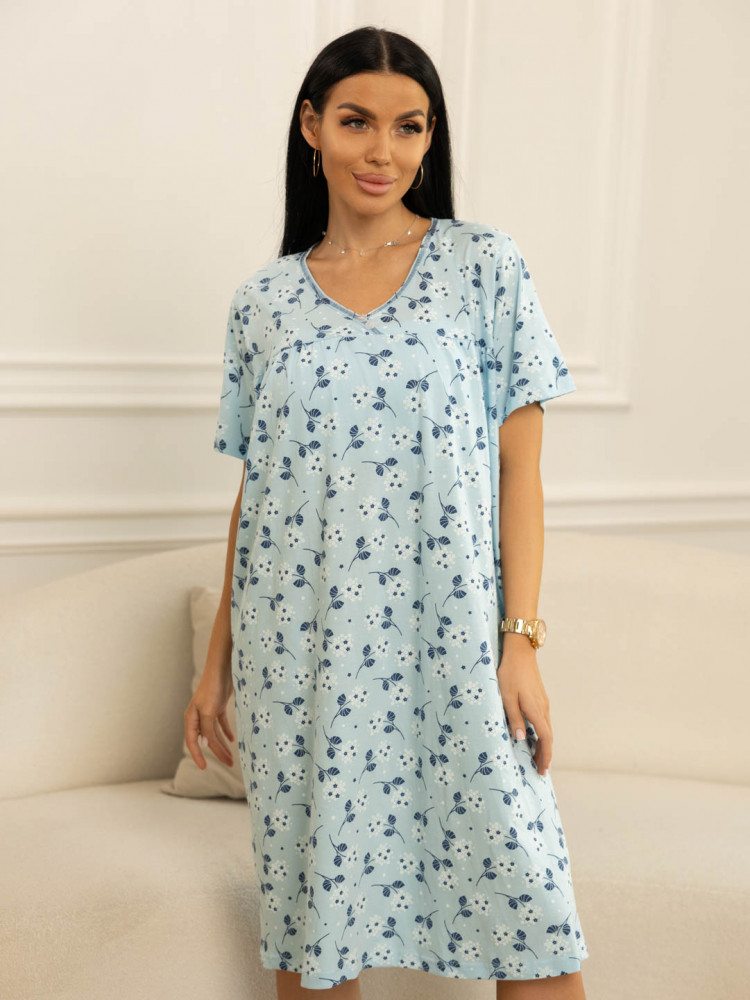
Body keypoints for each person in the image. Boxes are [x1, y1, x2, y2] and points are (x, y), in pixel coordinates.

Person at [185, 24, 588, 1000]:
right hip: (301, 654)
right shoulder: (264, 303)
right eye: (357, 121)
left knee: (531, 919)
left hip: (452, 646)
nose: (383, 151)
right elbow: (260, 495)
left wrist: (521, 643)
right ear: (311, 126)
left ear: (429, 138)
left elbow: (521, 471)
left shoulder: (484, 266)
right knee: (313, 933)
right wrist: (216, 662)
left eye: (409, 127)